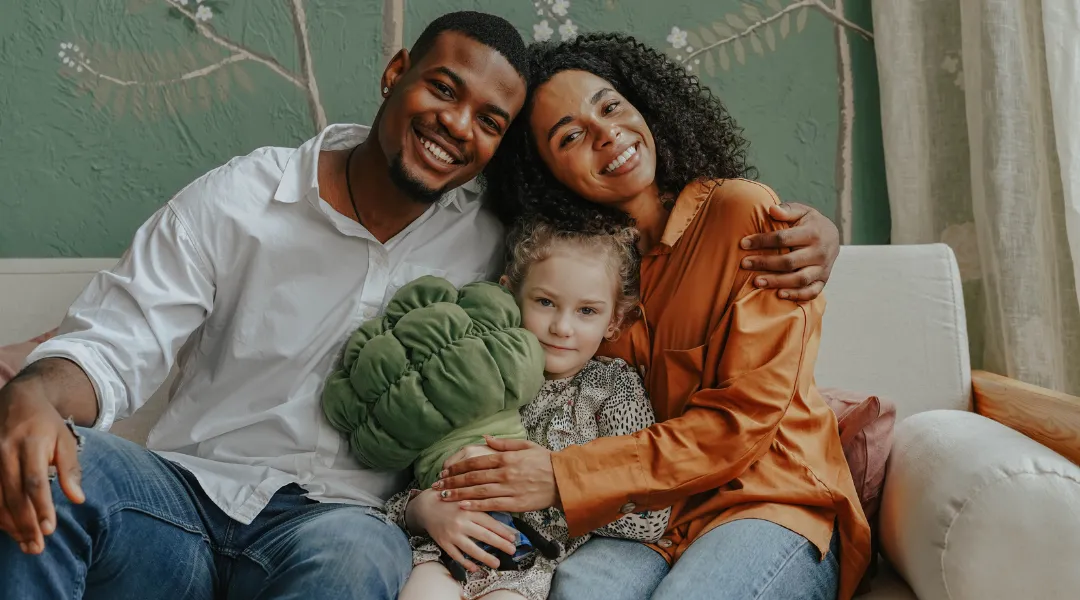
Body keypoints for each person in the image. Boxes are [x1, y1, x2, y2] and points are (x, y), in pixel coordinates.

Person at [0, 10, 840, 599]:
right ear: (396, 73)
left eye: (489, 120)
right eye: (443, 90)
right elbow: (120, 334)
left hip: (347, 523)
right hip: (187, 495)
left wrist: (821, 233)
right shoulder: (243, 198)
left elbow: (741, 401)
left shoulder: (536, 239)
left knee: (357, 555)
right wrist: (36, 389)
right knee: (49, 458)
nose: (457, 126)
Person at [433, 33, 872, 600]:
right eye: (570, 136)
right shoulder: (569, 274)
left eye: (610, 105)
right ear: (545, 173)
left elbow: (742, 421)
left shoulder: (743, 215)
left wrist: (564, 476)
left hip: (768, 501)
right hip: (640, 523)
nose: (606, 132)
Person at [390, 220, 671, 600]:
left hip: (525, 567)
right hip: (443, 546)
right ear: (510, 295)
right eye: (545, 302)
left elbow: (650, 517)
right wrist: (422, 510)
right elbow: (420, 471)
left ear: (615, 320)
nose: (562, 327)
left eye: (587, 311)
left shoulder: (613, 388)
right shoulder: (477, 370)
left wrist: (563, 486)